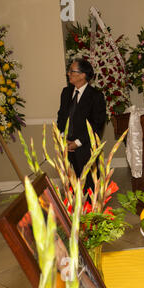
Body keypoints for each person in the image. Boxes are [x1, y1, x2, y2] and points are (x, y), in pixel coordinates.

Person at [57, 58, 106, 191]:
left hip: (85, 148)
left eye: (72, 71)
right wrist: (62, 138)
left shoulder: (96, 96)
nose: (68, 74)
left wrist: (77, 142)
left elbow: (97, 124)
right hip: (66, 146)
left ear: (83, 75)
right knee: (71, 187)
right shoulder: (66, 93)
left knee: (89, 187)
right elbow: (61, 117)